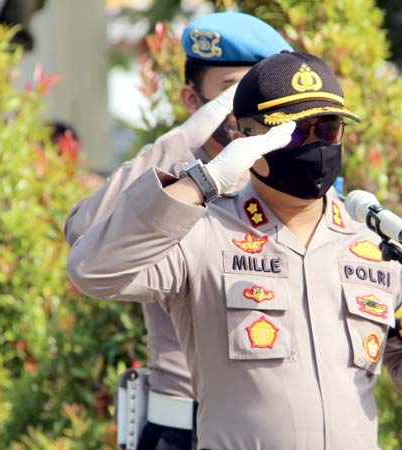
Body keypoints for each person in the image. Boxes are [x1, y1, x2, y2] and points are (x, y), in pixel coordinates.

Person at [68, 51, 402, 450]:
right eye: (295, 132)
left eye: (328, 129)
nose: (316, 144)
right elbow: (93, 269)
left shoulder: (372, 244)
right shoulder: (201, 233)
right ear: (244, 139)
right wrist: (202, 182)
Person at [64, 12, 292, 450]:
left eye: (259, 89)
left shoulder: (293, 181)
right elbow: (85, 231)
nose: (249, 104)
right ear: (193, 99)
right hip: (179, 426)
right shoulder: (169, 174)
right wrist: (184, 141)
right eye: (232, 91)